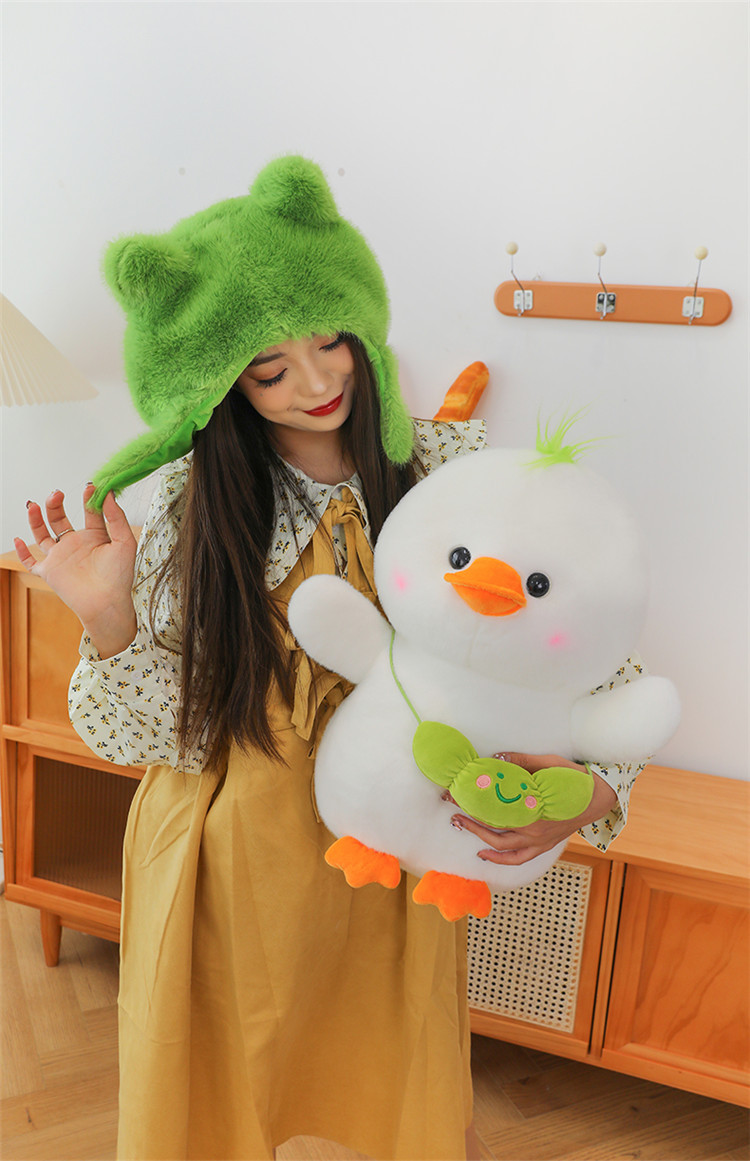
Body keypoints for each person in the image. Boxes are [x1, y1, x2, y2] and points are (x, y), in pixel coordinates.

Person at [15, 157, 643, 1161]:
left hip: (396, 860)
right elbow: (151, 742)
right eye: (269, 369)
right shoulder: (186, 506)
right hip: (227, 866)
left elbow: (591, 652)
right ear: (219, 382)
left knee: (412, 1107)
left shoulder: (453, 469)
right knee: (215, 1109)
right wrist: (110, 619)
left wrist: (595, 788)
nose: (316, 383)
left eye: (330, 341)